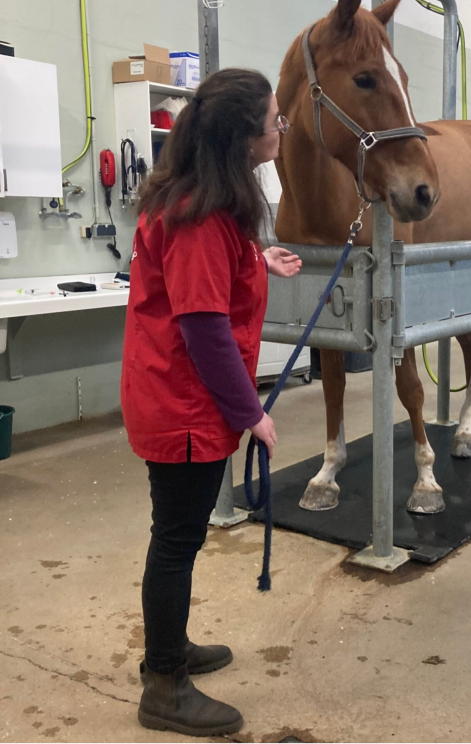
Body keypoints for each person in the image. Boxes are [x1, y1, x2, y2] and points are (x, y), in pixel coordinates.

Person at [121, 68, 301, 737]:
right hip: (184, 406)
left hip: (177, 397)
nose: (281, 129)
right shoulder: (198, 216)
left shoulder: (206, 201)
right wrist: (252, 413)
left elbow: (212, 275)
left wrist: (258, 260)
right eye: (276, 120)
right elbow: (204, 329)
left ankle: (170, 648)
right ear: (244, 137)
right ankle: (164, 684)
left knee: (181, 535)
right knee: (176, 540)